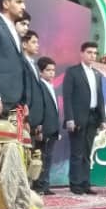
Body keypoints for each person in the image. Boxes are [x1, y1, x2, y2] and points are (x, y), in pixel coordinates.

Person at [62, 41, 106, 195]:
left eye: (95, 53)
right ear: (81, 53)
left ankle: (85, 183)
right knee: (77, 152)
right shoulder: (73, 72)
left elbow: (100, 98)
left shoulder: (97, 74)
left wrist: (103, 119)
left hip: (93, 117)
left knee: (87, 152)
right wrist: (70, 118)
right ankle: (75, 184)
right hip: (77, 118)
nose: (92, 56)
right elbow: (67, 97)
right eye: (89, 52)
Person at [33, 56, 60, 195]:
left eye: (53, 70)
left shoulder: (51, 86)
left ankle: (45, 184)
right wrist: (39, 127)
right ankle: (38, 185)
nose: (52, 73)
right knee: (40, 157)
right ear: (41, 72)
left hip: (53, 128)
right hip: (44, 128)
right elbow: (39, 108)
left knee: (48, 157)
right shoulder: (40, 86)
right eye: (48, 70)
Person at [19, 25, 43, 135]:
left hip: (35, 120)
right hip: (24, 117)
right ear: (24, 44)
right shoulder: (20, 63)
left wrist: (39, 121)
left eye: (37, 42)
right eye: (34, 42)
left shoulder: (35, 66)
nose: (37, 45)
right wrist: (25, 119)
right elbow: (22, 92)